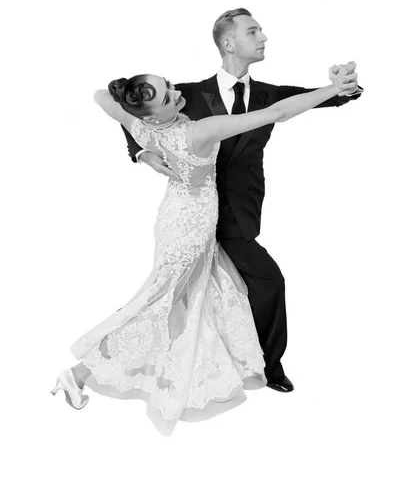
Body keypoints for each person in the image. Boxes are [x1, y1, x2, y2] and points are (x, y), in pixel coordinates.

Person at [51, 68, 359, 436]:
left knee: (170, 300)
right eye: (168, 98)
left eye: (170, 86)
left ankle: (170, 366)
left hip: (174, 219)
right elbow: (276, 113)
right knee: (159, 303)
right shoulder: (198, 131)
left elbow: (102, 96)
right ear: (151, 114)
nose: (179, 94)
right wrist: (331, 88)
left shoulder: (140, 124)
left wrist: (146, 149)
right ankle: (78, 374)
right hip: (190, 230)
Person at [119, 8, 364, 393]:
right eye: (254, 31)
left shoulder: (269, 96)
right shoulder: (184, 94)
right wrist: (141, 153)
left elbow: (320, 100)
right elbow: (131, 112)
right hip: (190, 215)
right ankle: (143, 362)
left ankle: (268, 367)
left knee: (264, 284)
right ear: (229, 43)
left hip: (238, 213)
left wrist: (343, 85)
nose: (264, 36)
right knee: (174, 294)